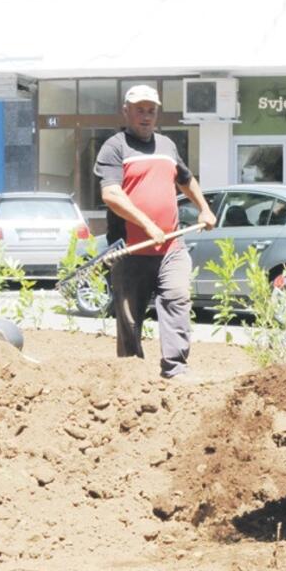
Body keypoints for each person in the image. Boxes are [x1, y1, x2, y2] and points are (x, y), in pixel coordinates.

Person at [93, 84, 217, 380]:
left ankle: (175, 369)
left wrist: (204, 207)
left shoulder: (167, 146)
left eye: (151, 111)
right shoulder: (115, 147)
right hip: (130, 251)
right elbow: (111, 194)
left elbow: (185, 179)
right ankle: (131, 374)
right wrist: (148, 224)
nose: (146, 116)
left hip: (171, 249)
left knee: (176, 300)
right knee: (129, 317)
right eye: (139, 110)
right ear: (126, 112)